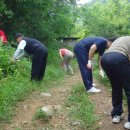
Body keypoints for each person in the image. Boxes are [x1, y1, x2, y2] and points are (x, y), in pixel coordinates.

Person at [101, 36, 130, 129]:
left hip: (105, 59)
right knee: (129, 90)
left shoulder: (122, 39)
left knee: (116, 87)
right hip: (118, 58)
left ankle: (117, 114)